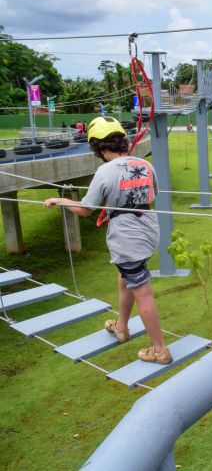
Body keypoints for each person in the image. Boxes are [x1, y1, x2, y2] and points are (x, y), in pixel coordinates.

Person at [43, 116, 172, 365]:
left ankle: (160, 350)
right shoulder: (145, 164)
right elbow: (152, 193)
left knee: (142, 290)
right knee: (125, 277)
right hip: (148, 228)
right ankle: (121, 327)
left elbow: (85, 209)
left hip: (127, 236)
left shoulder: (105, 171)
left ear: (99, 148)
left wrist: (61, 200)